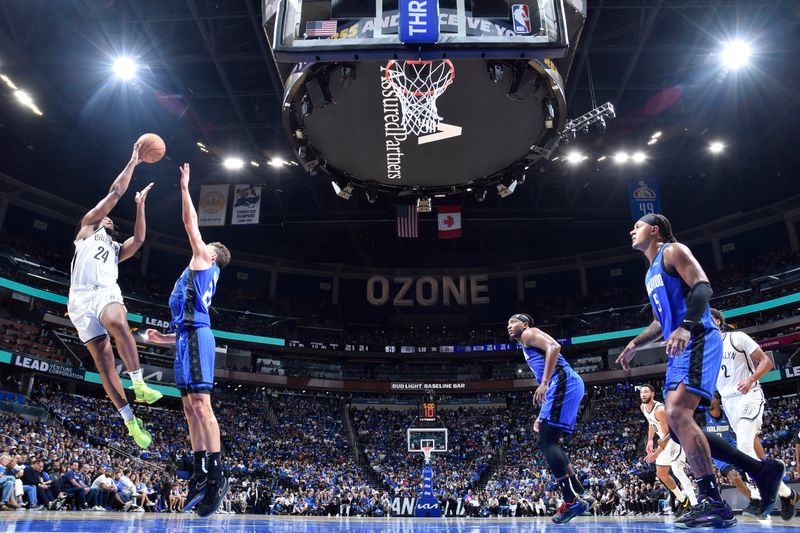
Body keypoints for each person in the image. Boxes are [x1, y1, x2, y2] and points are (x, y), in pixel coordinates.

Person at [617, 213, 785, 528]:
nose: (631, 230)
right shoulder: (650, 272)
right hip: (679, 346)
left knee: (678, 416)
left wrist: (685, 325)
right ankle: (762, 471)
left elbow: (703, 288)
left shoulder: (673, 250)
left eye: (637, 226)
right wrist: (634, 344)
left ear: (654, 230)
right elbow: (658, 322)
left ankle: (714, 502)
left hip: (697, 338)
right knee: (680, 430)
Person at [145, 162, 231, 517]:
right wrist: (162, 338)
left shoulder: (203, 262)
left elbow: (189, 223)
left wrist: (184, 188)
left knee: (201, 404)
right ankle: (200, 468)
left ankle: (216, 471)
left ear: (211, 255)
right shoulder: (197, 272)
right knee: (187, 406)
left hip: (198, 334)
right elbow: (179, 327)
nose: (200, 244)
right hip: (185, 337)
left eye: (205, 245)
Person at [67, 142, 161, 448]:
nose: (109, 219)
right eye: (107, 218)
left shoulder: (115, 249)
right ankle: (131, 422)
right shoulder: (87, 228)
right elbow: (113, 193)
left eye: (111, 221)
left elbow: (141, 239)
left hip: (106, 293)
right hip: (80, 300)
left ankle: (139, 384)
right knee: (104, 364)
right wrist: (133, 162)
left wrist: (140, 206)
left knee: (118, 321)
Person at [710, 308, 799, 520]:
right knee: (756, 454)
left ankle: (759, 497)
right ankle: (787, 494)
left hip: (749, 395)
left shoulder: (736, 337)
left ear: (716, 320)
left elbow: (767, 362)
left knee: (743, 446)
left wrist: (751, 379)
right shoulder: (707, 350)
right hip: (729, 403)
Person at [507, 313, 589, 524]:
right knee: (549, 440)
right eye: (508, 323)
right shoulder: (525, 343)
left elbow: (554, 347)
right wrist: (541, 414)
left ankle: (571, 501)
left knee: (545, 442)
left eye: (513, 322)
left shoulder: (529, 334)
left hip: (561, 381)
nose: (509, 325)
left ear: (524, 324)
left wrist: (543, 383)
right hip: (564, 384)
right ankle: (581, 492)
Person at [638, 383, 697, 516]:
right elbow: (651, 423)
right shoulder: (643, 407)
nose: (643, 394)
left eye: (646, 392)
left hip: (676, 438)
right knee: (662, 474)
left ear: (652, 394)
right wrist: (650, 440)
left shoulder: (660, 409)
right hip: (664, 440)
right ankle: (684, 501)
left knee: (677, 470)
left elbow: (666, 436)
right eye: (641, 392)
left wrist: (655, 454)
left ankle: (695, 504)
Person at [704, 392, 752, 503]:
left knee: (752, 468)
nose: (708, 401)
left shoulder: (727, 414)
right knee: (734, 476)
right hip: (718, 454)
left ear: (718, 401)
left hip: (733, 447)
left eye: (711, 398)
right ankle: (754, 502)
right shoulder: (702, 416)